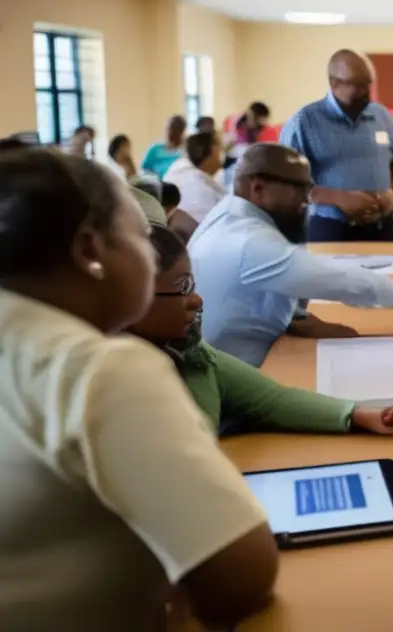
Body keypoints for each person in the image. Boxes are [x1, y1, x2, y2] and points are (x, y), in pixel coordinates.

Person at [0, 150, 277, 629]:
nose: (154, 255)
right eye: (142, 238)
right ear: (90, 251)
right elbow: (241, 581)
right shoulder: (98, 369)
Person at [190, 144, 393, 367]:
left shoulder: (226, 214)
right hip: (238, 375)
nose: (305, 203)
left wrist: (300, 319)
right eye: (298, 191)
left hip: (245, 355)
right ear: (258, 188)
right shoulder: (248, 241)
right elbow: (332, 280)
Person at [130, 224, 393, 437]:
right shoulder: (121, 382)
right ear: (133, 298)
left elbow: (270, 400)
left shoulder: (192, 352)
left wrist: (358, 415)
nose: (196, 300)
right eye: (180, 288)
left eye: (191, 285)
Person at [281, 50, 393, 242]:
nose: (365, 93)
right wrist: (338, 198)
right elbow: (287, 183)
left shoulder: (383, 117)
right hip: (331, 229)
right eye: (357, 85)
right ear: (334, 83)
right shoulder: (305, 121)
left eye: (368, 85)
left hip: (381, 228)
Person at [164, 131, 228, 223]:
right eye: (219, 148)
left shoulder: (183, 170)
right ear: (210, 153)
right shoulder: (194, 185)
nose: (222, 152)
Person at [141, 114, 187, 178]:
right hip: (157, 184)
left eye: (175, 129)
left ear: (181, 132)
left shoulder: (186, 151)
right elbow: (144, 170)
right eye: (169, 128)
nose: (170, 132)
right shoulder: (155, 149)